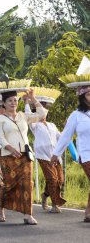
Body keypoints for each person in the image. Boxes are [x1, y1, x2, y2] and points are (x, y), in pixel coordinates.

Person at [0, 89, 47, 225]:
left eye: (15, 100)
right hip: (8, 156)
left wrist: (33, 99)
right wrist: (10, 148)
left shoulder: (23, 116)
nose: (13, 103)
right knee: (9, 185)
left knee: (28, 184)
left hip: (25, 155)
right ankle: (0, 207)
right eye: (10, 100)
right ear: (4, 103)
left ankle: (28, 214)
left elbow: (42, 114)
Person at [51, 85, 90, 222]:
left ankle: (88, 212)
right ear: (82, 97)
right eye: (89, 94)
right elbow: (66, 136)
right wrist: (56, 154)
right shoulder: (76, 115)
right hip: (86, 155)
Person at [27, 99, 66, 213]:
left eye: (45, 111)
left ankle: (45, 195)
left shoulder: (52, 125)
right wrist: (26, 103)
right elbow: (29, 116)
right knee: (52, 179)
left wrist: (67, 127)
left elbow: (61, 137)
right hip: (43, 155)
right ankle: (55, 205)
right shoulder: (34, 125)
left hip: (55, 155)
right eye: (41, 111)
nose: (44, 113)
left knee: (60, 179)